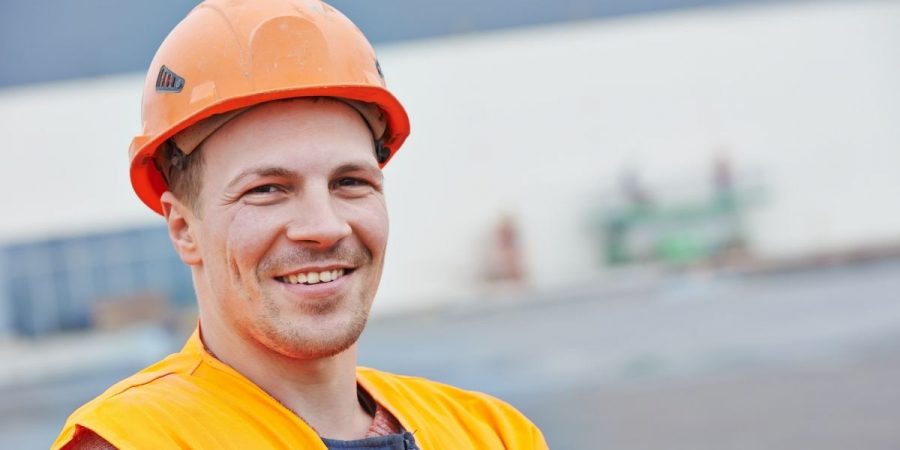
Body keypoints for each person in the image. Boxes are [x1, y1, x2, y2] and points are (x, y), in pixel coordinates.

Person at [52, 0, 548, 449]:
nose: (324, 226)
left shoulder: (491, 434)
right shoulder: (134, 442)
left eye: (350, 182)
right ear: (184, 229)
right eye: (267, 190)